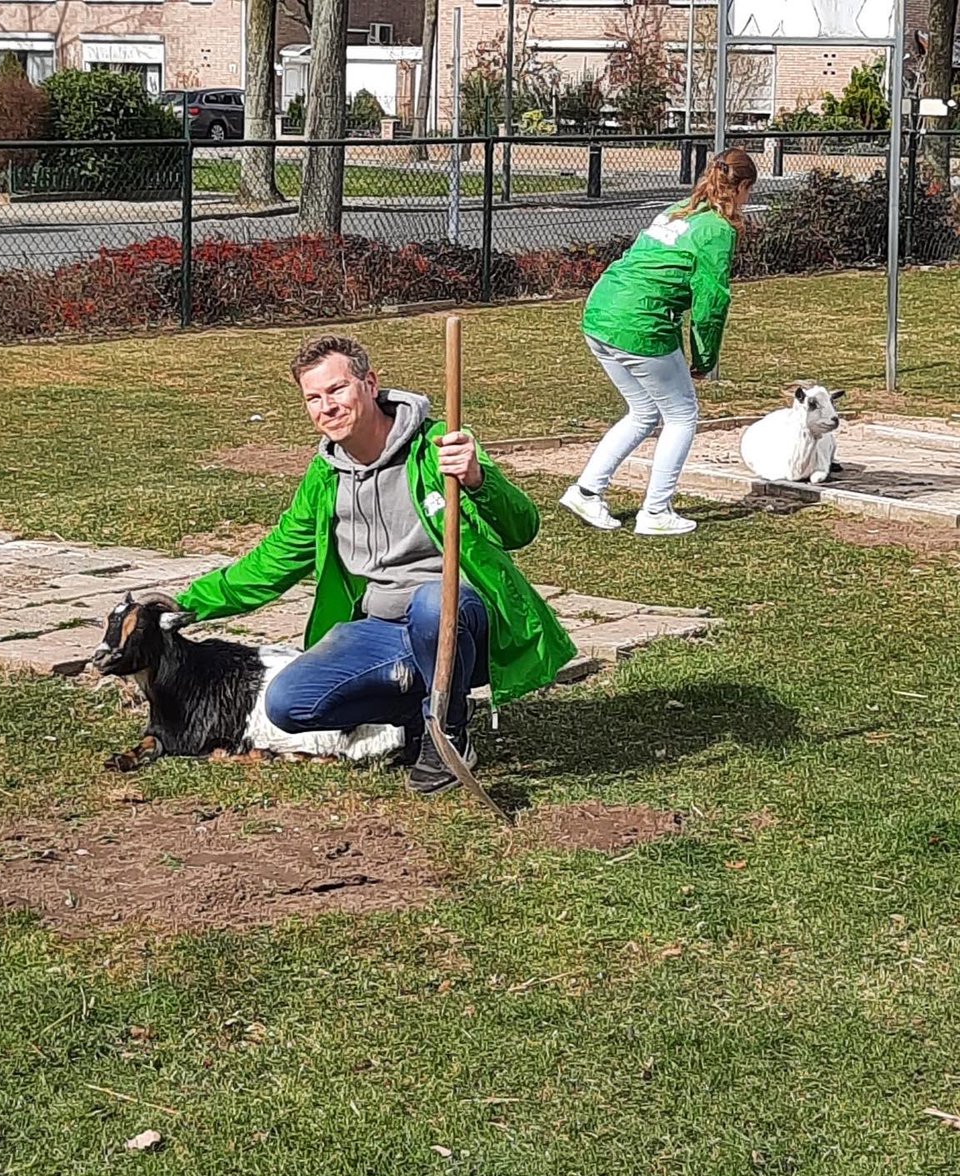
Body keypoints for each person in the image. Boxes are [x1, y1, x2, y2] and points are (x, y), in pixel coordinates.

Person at [175, 334, 577, 794]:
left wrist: (478, 480)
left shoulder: (439, 448)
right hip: (381, 627)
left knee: (432, 603)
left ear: (369, 383)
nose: (326, 406)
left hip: (459, 618)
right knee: (289, 705)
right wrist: (187, 603)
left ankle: (448, 732)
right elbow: (276, 559)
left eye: (337, 389)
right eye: (313, 397)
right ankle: (417, 713)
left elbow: (521, 528)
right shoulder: (325, 475)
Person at [561, 147, 759, 537]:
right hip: (640, 323)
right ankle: (655, 511)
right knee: (682, 416)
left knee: (643, 411)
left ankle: (586, 491)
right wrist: (704, 358)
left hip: (601, 312)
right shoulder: (718, 230)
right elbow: (711, 301)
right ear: (742, 188)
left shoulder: (678, 209)